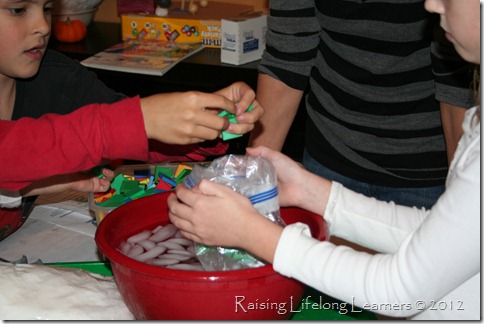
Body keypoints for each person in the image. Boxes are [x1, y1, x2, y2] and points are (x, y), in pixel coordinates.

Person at [167, 0, 480, 319]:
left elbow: (398, 292)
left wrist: (249, 231)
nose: (431, 3)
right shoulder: (476, 126)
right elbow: (431, 233)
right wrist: (317, 193)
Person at [0, 0, 262, 240]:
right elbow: (12, 150)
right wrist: (142, 119)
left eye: (47, 8)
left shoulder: (60, 77)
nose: (43, 26)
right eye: (18, 10)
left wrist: (206, 121)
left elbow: (135, 135)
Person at [248, 0, 475, 210]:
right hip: (328, 160)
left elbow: (455, 84)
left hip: (423, 174)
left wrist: (462, 197)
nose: (433, 4)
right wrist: (251, 183)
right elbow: (287, 54)